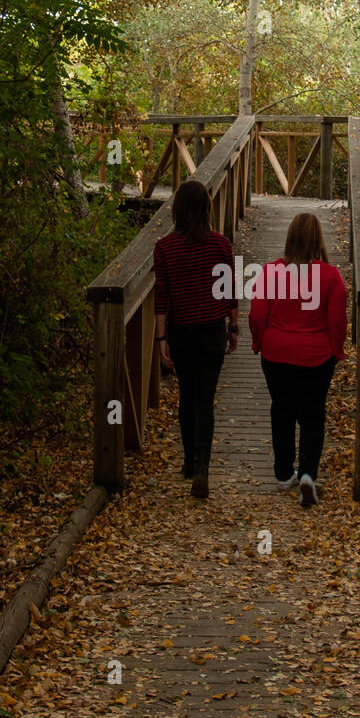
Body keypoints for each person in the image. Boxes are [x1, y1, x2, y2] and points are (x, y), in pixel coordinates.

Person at [249, 213, 347, 507]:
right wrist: (336, 350)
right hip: (316, 356)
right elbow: (337, 321)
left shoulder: (270, 273)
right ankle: (307, 475)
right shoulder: (331, 276)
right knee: (313, 415)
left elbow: (256, 315)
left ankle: (282, 474)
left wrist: (259, 342)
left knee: (282, 409)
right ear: (318, 239)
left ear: (289, 237)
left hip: (276, 353)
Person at [153, 179, 239, 498]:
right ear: (206, 209)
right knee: (205, 399)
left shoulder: (164, 247)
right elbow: (229, 291)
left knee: (187, 396)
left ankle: (189, 462)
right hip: (211, 330)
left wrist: (161, 337)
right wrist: (233, 327)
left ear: (177, 210)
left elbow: (163, 296)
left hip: (181, 331)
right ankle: (202, 465)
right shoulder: (221, 244)